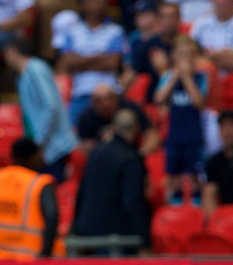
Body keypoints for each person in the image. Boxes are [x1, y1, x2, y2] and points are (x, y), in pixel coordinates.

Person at [72, 108, 150, 253]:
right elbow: (133, 202)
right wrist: (144, 239)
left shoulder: (95, 153)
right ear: (136, 129)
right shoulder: (131, 159)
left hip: (87, 233)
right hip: (117, 238)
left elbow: (81, 193)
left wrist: (76, 229)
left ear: (113, 128)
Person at [4, 37, 78, 181]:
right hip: (43, 148)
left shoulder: (35, 69)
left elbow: (51, 106)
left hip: (53, 147)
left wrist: (38, 142)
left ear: (12, 51)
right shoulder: (23, 76)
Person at [54, 0, 128, 123]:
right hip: (81, 94)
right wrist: (100, 56)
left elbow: (113, 62)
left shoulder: (115, 31)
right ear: (83, 5)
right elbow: (67, 63)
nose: (97, 5)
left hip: (109, 95)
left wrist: (80, 60)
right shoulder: (72, 32)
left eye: (101, 0)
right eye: (92, 0)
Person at [0, 138, 61, 260]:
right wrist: (45, 254)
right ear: (31, 157)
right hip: (30, 261)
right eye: (38, 155)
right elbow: (52, 215)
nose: (42, 160)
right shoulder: (39, 183)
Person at [154, 36, 209, 204]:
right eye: (181, 54)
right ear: (174, 57)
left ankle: (196, 206)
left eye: (189, 55)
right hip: (174, 135)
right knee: (174, 175)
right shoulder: (168, 76)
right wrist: (173, 78)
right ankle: (175, 207)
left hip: (194, 135)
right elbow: (158, 99)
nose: (185, 59)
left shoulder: (201, 77)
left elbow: (199, 102)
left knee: (195, 176)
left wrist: (186, 78)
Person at [75, 83, 160, 156]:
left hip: (131, 157)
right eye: (99, 101)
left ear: (116, 98)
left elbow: (152, 135)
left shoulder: (131, 109)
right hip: (102, 160)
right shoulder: (86, 117)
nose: (106, 104)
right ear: (93, 103)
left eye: (109, 98)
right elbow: (84, 146)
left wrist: (140, 154)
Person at [123, 0, 165, 102]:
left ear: (156, 16)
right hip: (138, 83)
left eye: (144, 14)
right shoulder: (133, 38)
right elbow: (128, 67)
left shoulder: (164, 36)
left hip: (159, 82)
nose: (140, 18)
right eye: (138, 14)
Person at [191, 0, 233, 74]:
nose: (222, 1)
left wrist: (209, 56)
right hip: (204, 75)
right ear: (212, 0)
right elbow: (191, 54)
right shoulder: (200, 23)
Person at [203, 110, 233, 218]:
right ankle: (214, 227)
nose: (227, 131)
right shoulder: (214, 162)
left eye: (231, 125)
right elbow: (210, 191)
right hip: (226, 217)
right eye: (223, 127)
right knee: (208, 190)